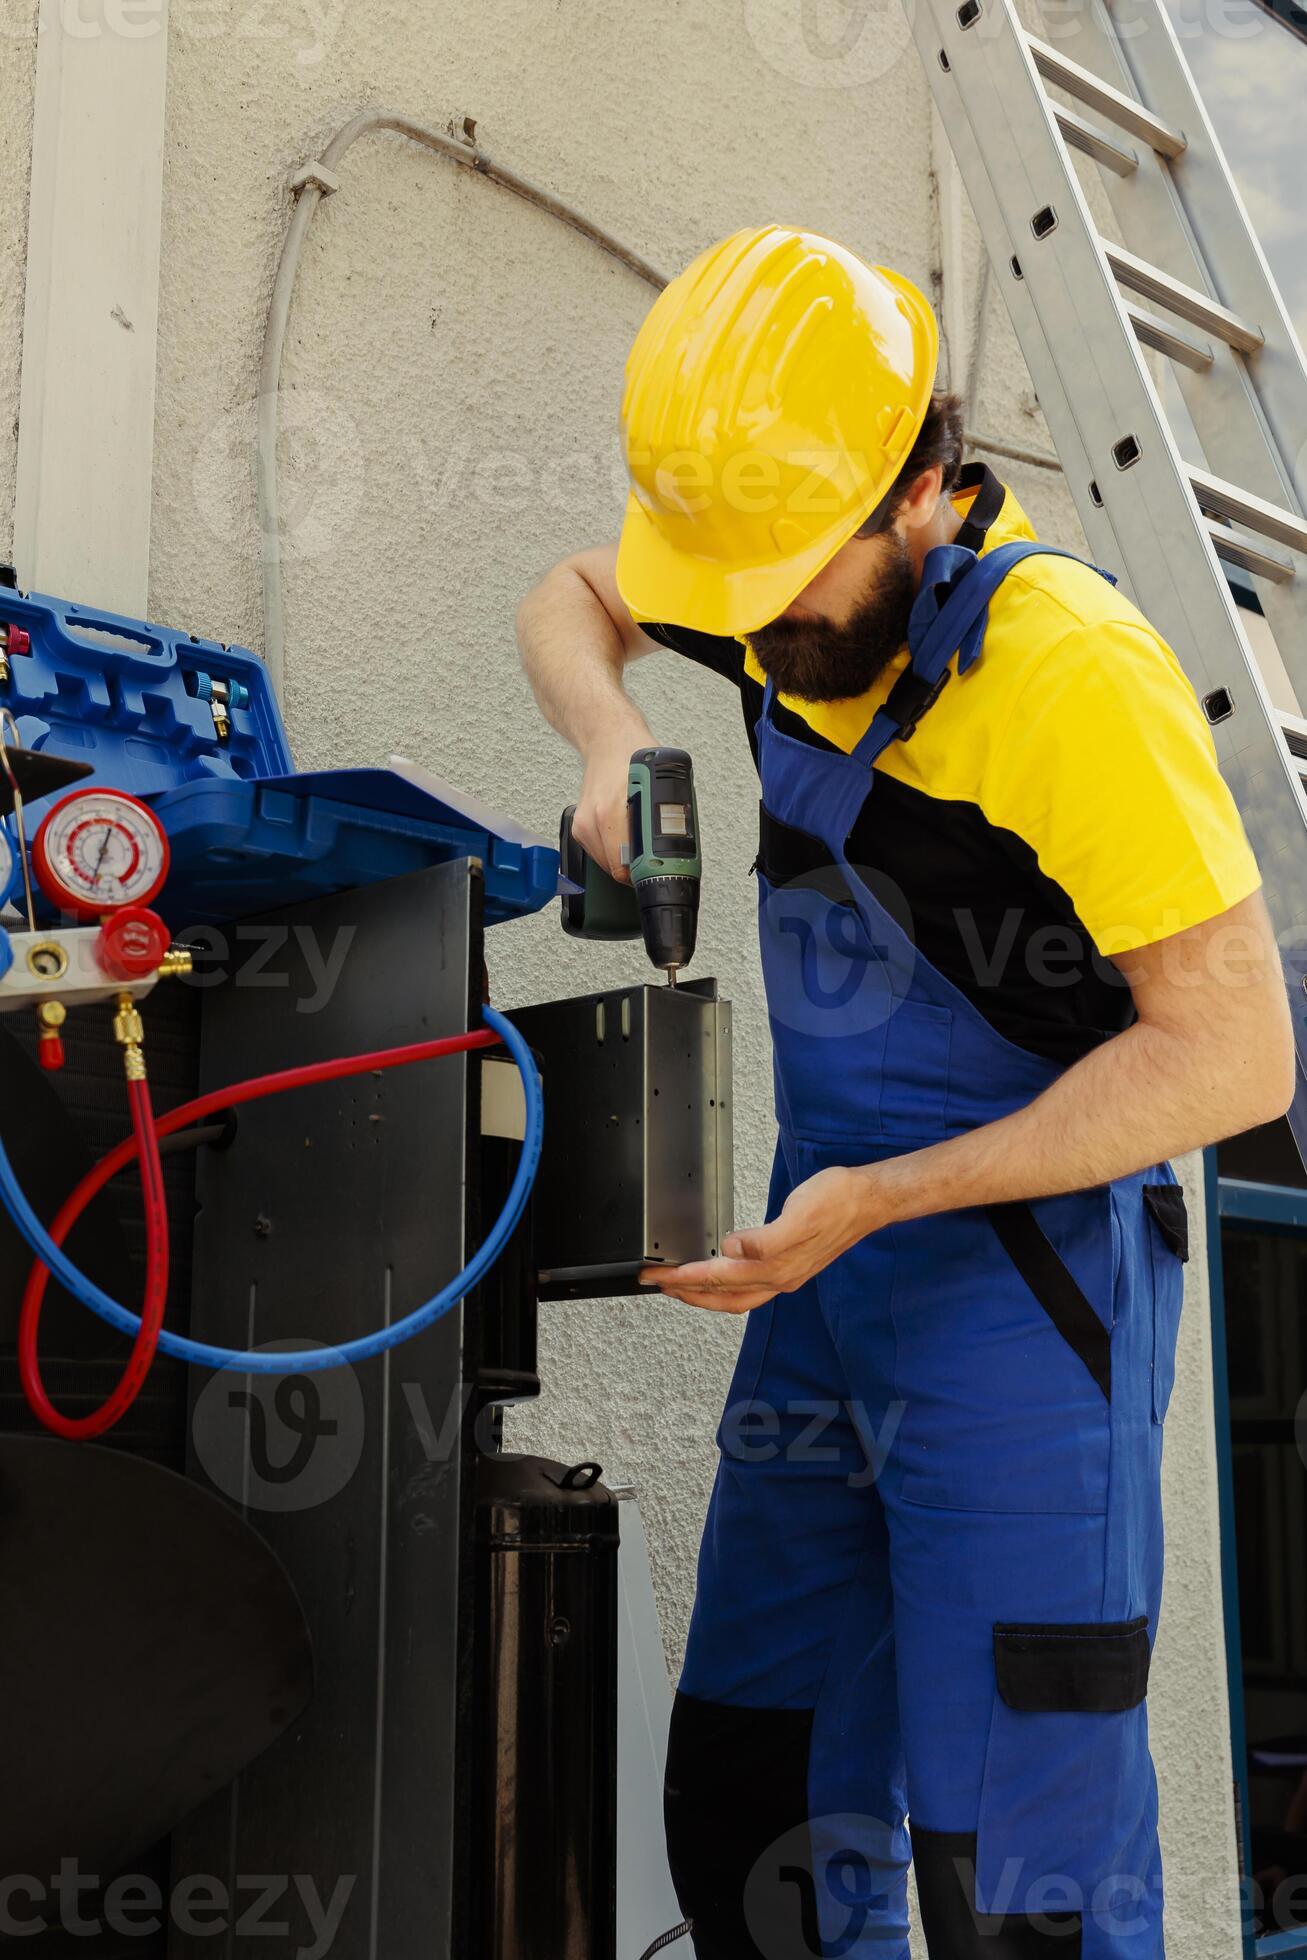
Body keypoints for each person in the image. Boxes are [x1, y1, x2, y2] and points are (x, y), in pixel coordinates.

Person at [516, 224, 1294, 1959]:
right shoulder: (767, 586)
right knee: (753, 1807)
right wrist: (608, 740)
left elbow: (1236, 1055)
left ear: (924, 490)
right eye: (726, 593)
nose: (750, 628)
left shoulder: (1073, 679)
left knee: (1017, 1891)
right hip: (823, 1274)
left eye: (785, 585)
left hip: (1026, 1302)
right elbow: (572, 596)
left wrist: (886, 1199)